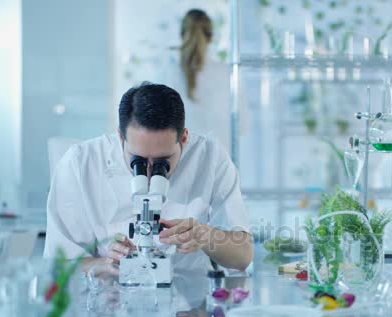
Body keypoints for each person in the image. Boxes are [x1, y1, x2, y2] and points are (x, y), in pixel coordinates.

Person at [44, 82, 254, 272]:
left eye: (163, 161)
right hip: (110, 302)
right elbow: (57, 266)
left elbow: (243, 256)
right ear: (120, 137)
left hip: (188, 301)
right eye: (139, 161)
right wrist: (106, 263)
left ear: (184, 138)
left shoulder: (210, 158)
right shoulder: (80, 163)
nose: (151, 172)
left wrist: (207, 237)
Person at [165, 9, 248, 153]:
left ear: (182, 34)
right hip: (219, 166)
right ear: (210, 37)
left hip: (180, 167)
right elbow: (242, 125)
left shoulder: (168, 74)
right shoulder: (227, 73)